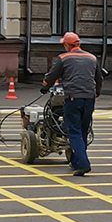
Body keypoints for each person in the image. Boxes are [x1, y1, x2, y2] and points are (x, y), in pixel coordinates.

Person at [40, 30, 104, 176]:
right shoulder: (92, 58)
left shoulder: (64, 58)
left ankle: (83, 164)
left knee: (73, 131)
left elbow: (51, 76)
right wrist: (97, 93)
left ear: (67, 45)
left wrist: (44, 87)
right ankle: (76, 161)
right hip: (90, 98)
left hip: (73, 98)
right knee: (83, 130)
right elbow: (99, 79)